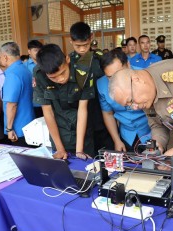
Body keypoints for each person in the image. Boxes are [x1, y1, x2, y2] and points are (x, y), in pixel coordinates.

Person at [33, 44, 94, 159]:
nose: (60, 79)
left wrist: (79, 150)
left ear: (67, 59)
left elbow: (82, 110)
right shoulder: (39, 74)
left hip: (81, 131)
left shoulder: (83, 71)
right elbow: (48, 112)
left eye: (62, 72)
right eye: (53, 77)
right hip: (58, 132)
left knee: (86, 169)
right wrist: (60, 148)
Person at [69, 21, 114, 155]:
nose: (82, 49)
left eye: (86, 45)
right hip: (80, 114)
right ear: (70, 41)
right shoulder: (68, 62)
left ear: (91, 38)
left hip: (103, 112)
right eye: (78, 46)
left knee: (108, 152)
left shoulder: (100, 58)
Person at [97, 49, 151, 152]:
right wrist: (117, 140)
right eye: (110, 77)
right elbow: (108, 114)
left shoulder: (144, 75)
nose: (115, 81)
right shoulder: (101, 85)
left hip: (150, 131)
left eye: (119, 74)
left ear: (128, 65)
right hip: (126, 135)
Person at [0, 42, 35, 147]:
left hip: (18, 127)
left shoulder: (12, 74)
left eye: (0, 56)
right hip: (29, 122)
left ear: (5, 57)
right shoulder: (25, 69)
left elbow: (12, 104)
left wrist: (9, 128)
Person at [24, 40, 44, 118]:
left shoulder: (45, 63)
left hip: (47, 101)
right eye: (35, 50)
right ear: (29, 51)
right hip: (32, 103)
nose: (38, 52)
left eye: (40, 50)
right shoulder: (24, 67)